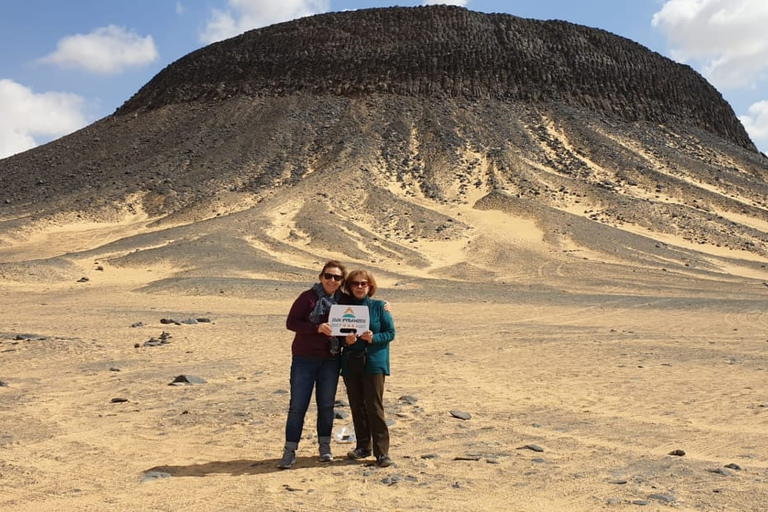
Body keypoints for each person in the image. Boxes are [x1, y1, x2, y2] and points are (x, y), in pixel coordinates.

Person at [278, 260, 347, 469]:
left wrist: (384, 306)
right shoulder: (307, 297)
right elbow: (291, 323)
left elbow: (364, 305)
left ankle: (324, 446)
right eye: (328, 276)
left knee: (326, 405)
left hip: (331, 358)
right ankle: (290, 450)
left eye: (337, 277)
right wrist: (316, 328)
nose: (332, 280)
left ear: (342, 281)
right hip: (304, 359)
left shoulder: (344, 300)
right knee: (298, 406)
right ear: (321, 277)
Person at [340, 269, 396, 468]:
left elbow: (390, 333)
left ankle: (382, 452)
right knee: (357, 406)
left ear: (370, 286)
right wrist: (345, 340)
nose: (360, 287)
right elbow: (337, 335)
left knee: (374, 406)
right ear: (349, 286)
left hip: (374, 363)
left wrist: (374, 338)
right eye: (355, 283)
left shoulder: (379, 307)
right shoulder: (342, 307)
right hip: (351, 363)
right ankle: (363, 447)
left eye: (364, 283)